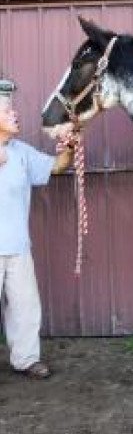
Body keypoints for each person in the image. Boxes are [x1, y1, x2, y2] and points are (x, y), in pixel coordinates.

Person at [0, 79, 73, 379]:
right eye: (7, 111)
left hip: (18, 246)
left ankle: (26, 359)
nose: (15, 114)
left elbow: (56, 167)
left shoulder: (20, 151)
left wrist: (69, 148)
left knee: (25, 306)